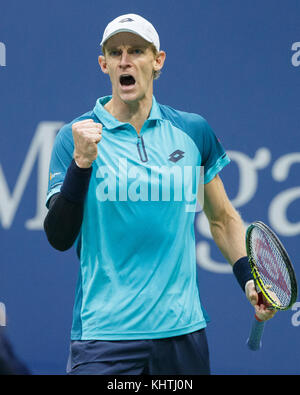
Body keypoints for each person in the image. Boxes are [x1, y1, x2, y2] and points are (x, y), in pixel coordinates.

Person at [44, 13, 276, 375]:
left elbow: (223, 219)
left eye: (136, 50)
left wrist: (249, 277)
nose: (125, 60)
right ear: (104, 64)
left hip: (182, 333)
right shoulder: (75, 138)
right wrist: (81, 164)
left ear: (157, 61)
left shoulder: (192, 131)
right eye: (115, 52)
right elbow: (59, 237)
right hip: (105, 336)